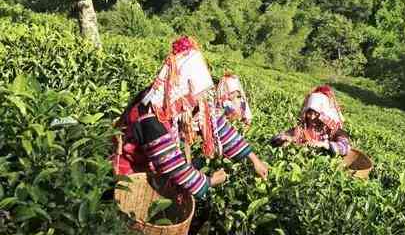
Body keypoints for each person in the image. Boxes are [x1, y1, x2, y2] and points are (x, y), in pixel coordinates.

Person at [112, 36, 268, 203]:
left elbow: (217, 126)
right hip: (131, 176)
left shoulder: (175, 102)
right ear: (181, 91)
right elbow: (172, 165)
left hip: (152, 171)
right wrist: (210, 181)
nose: (197, 102)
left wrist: (254, 160)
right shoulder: (150, 116)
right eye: (194, 96)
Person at [271, 85, 350, 156]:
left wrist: (325, 144)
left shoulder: (334, 131)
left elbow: (346, 147)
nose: (311, 117)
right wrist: (285, 139)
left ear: (324, 116)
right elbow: (276, 139)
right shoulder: (301, 129)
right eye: (309, 113)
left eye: (316, 114)